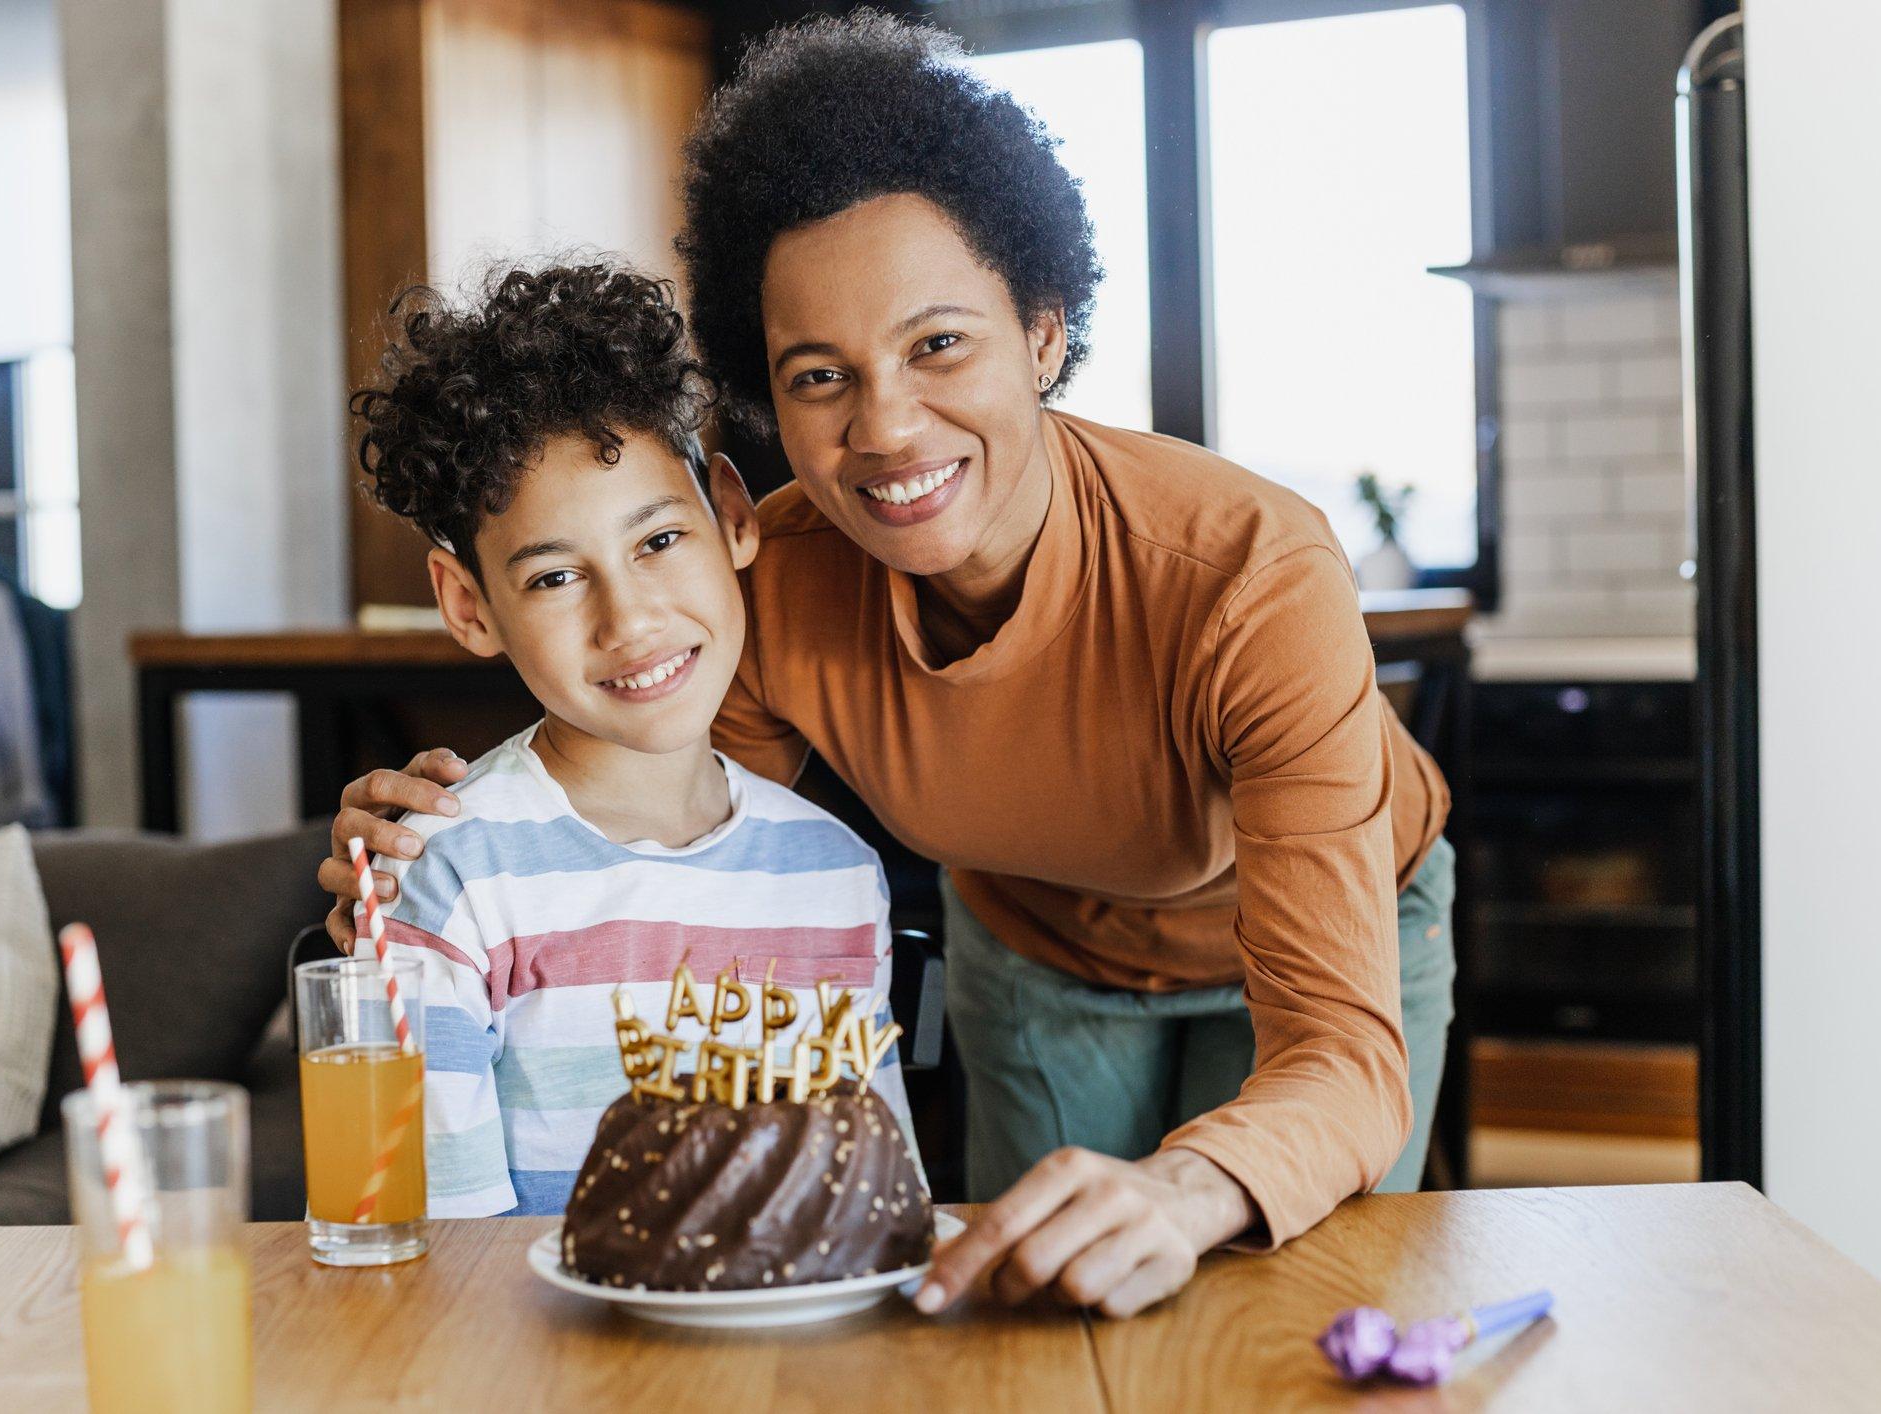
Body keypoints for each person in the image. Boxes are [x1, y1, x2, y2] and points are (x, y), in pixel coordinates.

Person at [323, 12, 1452, 1316]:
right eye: (821, 375)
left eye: (938, 344)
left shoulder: (1251, 573)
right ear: (768, 403)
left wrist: (1189, 1187)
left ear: (1041, 329)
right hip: (1032, 946)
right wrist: (414, 855)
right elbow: (667, 857)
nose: (887, 425)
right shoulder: (771, 583)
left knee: (1276, 1328)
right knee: (1047, 1328)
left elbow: (1343, 1056)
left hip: (1319, 942)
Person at [346, 261, 911, 1217]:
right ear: (469, 606)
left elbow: (870, 1201)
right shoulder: (452, 878)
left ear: (732, 517)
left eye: (657, 542)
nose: (630, 619)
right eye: (555, 578)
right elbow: (431, 1247)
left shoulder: (836, 873)